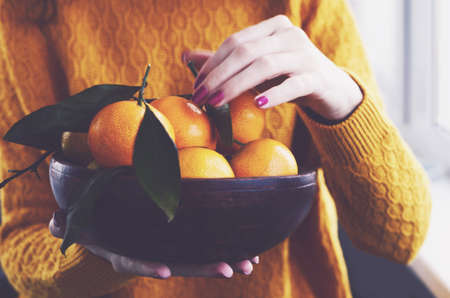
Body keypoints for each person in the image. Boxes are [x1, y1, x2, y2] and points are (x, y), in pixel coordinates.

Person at [0, 0, 431, 297]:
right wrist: (96, 256)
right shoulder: (26, 14)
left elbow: (400, 236)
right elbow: (21, 241)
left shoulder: (302, 5)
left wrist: (341, 102)